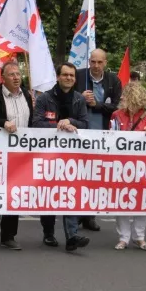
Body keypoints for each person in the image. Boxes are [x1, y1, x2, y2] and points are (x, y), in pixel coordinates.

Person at [34, 62, 90, 251]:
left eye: (72, 76)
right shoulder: (45, 99)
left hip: (71, 157)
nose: (69, 78)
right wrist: (59, 126)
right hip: (48, 155)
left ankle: (72, 236)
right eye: (65, 75)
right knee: (49, 194)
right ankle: (48, 233)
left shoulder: (78, 99)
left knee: (71, 193)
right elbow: (37, 124)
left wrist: (71, 122)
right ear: (58, 77)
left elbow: (85, 123)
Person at [0, 63, 33, 250]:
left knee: (15, 192)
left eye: (18, 74)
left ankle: (9, 235)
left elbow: (31, 121)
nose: (16, 77)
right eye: (11, 74)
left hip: (21, 153)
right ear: (3, 77)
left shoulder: (26, 95)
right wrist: (2, 122)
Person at [75, 48, 122, 232]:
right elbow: (64, 98)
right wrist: (80, 98)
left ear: (105, 63)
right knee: (78, 176)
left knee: (95, 178)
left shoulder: (113, 81)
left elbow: (118, 106)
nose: (95, 66)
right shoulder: (78, 76)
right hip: (79, 135)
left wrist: (97, 105)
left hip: (103, 136)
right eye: (93, 62)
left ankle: (89, 215)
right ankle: (75, 215)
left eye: (99, 62)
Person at [111, 83, 146, 250]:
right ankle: (123, 237)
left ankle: (139, 236)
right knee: (122, 201)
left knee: (142, 201)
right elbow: (109, 137)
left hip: (143, 166)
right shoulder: (116, 115)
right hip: (122, 165)